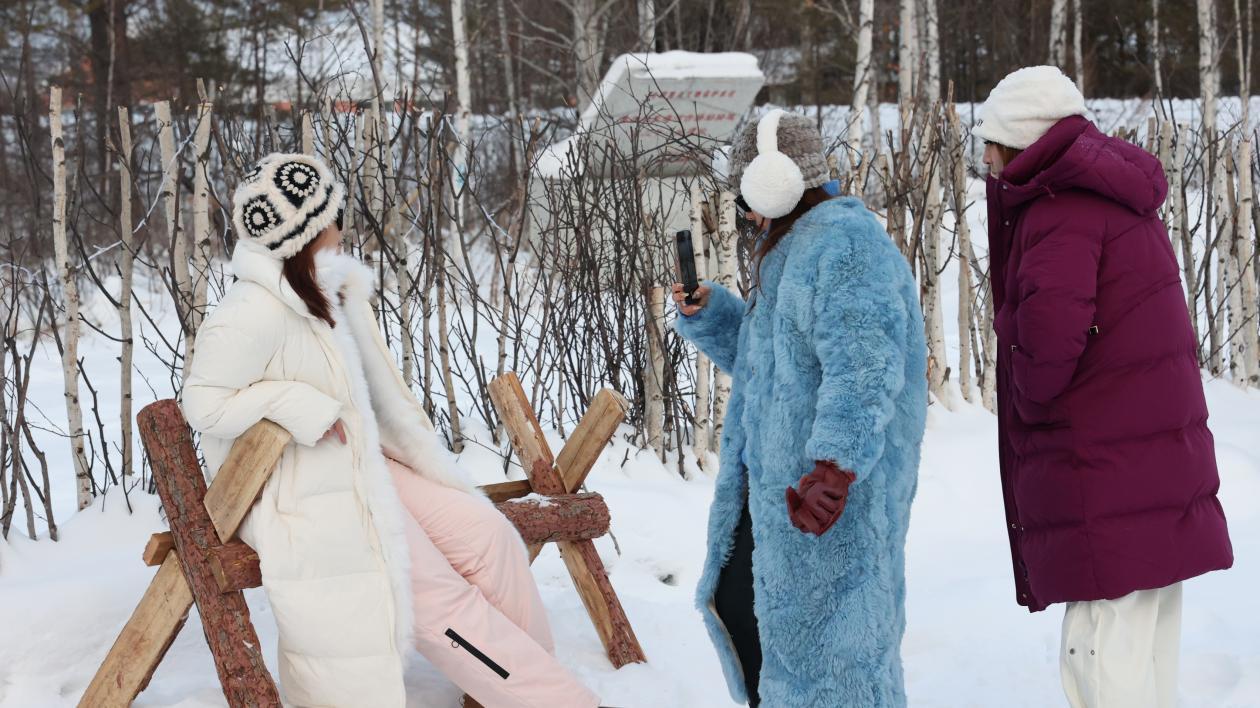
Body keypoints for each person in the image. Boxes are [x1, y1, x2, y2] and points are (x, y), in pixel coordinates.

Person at [182, 153, 602, 708]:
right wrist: (302, 406)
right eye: (333, 216)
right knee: (432, 596)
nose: (342, 226)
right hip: (297, 487)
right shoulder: (249, 311)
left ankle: (514, 692)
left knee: (490, 537)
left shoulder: (329, 293)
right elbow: (203, 404)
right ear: (306, 232)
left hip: (364, 462)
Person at [974, 66, 1234, 708]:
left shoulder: (1060, 212)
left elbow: (1045, 352)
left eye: (990, 143)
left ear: (1020, 142)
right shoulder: (1109, 195)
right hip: (1148, 463)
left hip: (1100, 467)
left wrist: (1015, 356)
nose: (985, 159)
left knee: (1101, 652)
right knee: (1146, 645)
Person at [671, 110, 928, 707]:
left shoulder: (845, 246)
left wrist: (833, 469)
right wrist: (711, 314)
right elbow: (776, 364)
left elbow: (864, 368)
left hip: (827, 501)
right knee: (760, 626)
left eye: (746, 198)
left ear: (774, 185)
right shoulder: (798, 245)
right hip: (787, 493)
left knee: (838, 661)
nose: (746, 214)